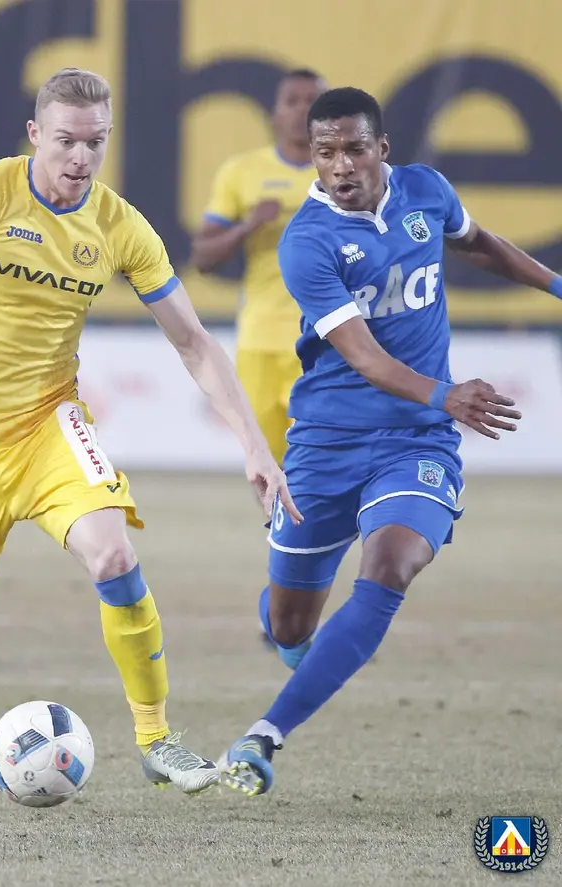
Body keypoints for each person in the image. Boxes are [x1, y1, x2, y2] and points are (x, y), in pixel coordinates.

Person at [0, 67, 300, 813]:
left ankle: (156, 739)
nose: (81, 157)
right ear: (35, 135)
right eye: (67, 141)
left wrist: (253, 446)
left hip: (50, 424)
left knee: (114, 555)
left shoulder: (119, 226)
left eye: (96, 142)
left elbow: (195, 342)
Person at [219, 86, 562, 797]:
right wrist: (446, 392)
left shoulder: (426, 191)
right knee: (289, 625)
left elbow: (478, 243)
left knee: (392, 566)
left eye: (353, 148)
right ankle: (287, 629)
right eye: (324, 152)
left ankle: (264, 735)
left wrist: (556, 285)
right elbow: (364, 356)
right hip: (326, 445)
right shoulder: (307, 241)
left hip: (416, 442)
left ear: (382, 148)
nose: (340, 165)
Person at [191, 68, 327, 468]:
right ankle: (279, 514)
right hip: (260, 340)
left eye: (312, 101)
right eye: (292, 101)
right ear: (275, 113)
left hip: (327, 338)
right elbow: (203, 256)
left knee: (319, 460)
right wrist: (248, 226)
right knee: (265, 464)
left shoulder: (344, 173)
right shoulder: (243, 172)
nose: (302, 110)